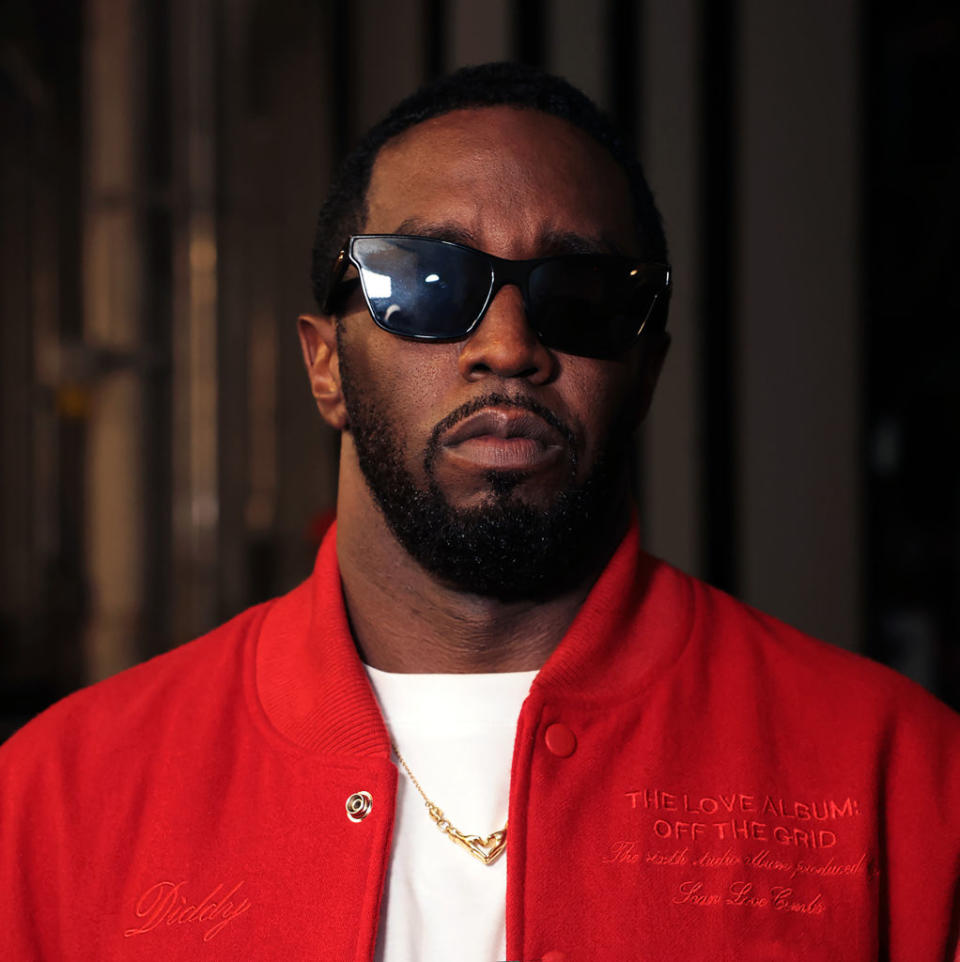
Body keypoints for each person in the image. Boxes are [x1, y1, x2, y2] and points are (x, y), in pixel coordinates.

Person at [1, 62, 957, 962]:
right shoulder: (58, 800)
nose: (508, 346)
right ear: (325, 363)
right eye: (426, 284)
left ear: (647, 371)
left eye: (579, 297)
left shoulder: (897, 777)